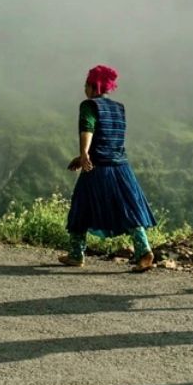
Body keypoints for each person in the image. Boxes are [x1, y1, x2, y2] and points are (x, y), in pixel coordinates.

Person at [62, 65, 158, 270]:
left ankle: (76, 254)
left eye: (86, 85)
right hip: (121, 167)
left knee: (80, 207)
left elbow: (87, 128)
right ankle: (144, 251)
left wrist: (84, 153)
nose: (84, 89)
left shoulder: (89, 106)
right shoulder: (119, 108)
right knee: (129, 209)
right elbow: (108, 138)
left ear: (93, 86)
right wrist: (81, 157)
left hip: (98, 168)